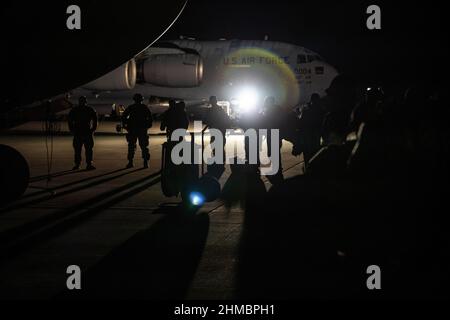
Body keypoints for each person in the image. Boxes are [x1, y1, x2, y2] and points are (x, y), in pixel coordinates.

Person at [122, 93, 153, 168]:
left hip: (133, 129)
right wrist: (147, 126)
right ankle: (145, 162)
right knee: (144, 146)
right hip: (142, 130)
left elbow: (124, 116)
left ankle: (130, 162)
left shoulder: (131, 107)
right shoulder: (144, 107)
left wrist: (126, 125)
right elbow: (150, 118)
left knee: (131, 146)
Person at [68, 96, 98, 170]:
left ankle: (78, 164)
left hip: (79, 132)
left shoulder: (75, 110)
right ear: (86, 102)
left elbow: (70, 121)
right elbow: (95, 121)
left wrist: (72, 130)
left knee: (79, 150)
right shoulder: (89, 109)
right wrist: (93, 130)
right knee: (87, 150)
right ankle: (88, 164)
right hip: (85, 132)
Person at [298, 93, 326, 164]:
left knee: (308, 156)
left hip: (308, 138)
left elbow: (301, 125)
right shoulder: (321, 111)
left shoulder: (306, 111)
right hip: (316, 137)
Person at [204, 96, 231, 162]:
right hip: (221, 130)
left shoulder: (210, 111)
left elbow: (205, 120)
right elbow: (226, 119)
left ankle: (218, 158)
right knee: (220, 144)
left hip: (215, 129)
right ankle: (221, 159)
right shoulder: (220, 109)